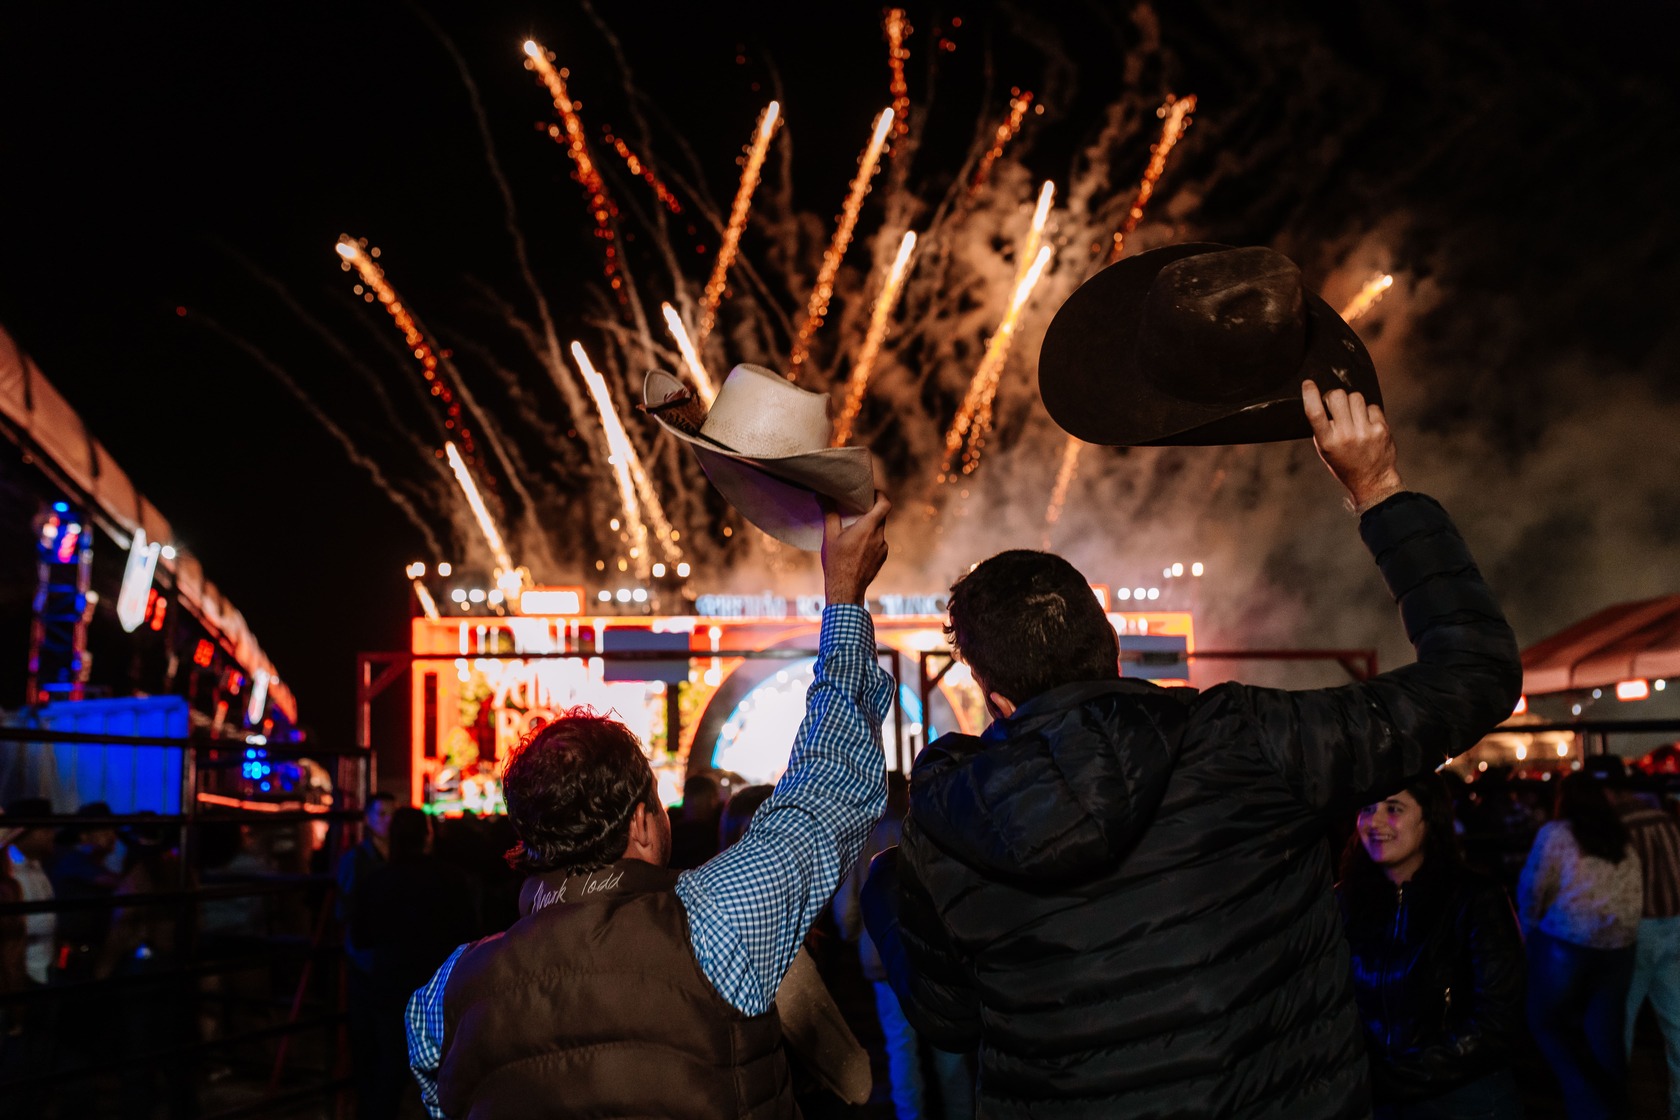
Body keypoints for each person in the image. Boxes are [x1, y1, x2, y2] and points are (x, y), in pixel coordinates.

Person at [864, 384, 1521, 1116]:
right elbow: (1475, 674)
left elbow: (950, 1021)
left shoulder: (948, 829)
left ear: (995, 696)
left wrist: (887, 887)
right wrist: (1378, 489)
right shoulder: (1247, 739)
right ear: (1113, 648)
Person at [406, 494, 893, 1118]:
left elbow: (438, 1089)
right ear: (642, 820)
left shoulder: (446, 992)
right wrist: (845, 595)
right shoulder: (715, 923)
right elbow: (829, 786)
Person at [1338, 772, 1525, 1119]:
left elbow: (1498, 1018)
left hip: (1463, 1094)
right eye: (1366, 808)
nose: (1375, 821)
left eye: (1393, 808)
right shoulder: (1344, 901)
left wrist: (1402, 1076)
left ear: (1430, 819)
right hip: (1374, 1095)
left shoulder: (1474, 899)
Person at [837, 772, 974, 1119]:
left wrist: (860, 937)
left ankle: (911, 1114)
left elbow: (847, 910)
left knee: (901, 1052)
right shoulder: (929, 829)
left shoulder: (860, 838)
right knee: (950, 1052)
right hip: (936, 956)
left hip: (883, 958)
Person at [1519, 772, 1643, 1119]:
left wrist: (1530, 932)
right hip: (1620, 942)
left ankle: (1584, 1101)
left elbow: (1532, 888)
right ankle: (1615, 1107)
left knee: (1544, 1021)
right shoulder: (1622, 837)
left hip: (1568, 941)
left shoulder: (1556, 834)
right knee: (1606, 1034)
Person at [351, 808, 479, 1120]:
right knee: (442, 1078)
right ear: (428, 835)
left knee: (388, 1074)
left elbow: (361, 937)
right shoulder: (453, 879)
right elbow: (471, 934)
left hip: (391, 988)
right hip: (439, 990)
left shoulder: (376, 881)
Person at [1587, 755, 1680, 1119]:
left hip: (1631, 933)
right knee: (1677, 1027)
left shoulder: (1608, 826)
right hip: (1674, 925)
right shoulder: (1663, 818)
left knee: (1615, 1029)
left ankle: (1610, 1108)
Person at [337, 791, 395, 1115]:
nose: (386, 821)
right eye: (381, 814)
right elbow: (344, 911)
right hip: (364, 962)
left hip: (388, 961)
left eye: (391, 815)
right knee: (367, 1039)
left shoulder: (395, 859)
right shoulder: (355, 860)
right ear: (368, 819)